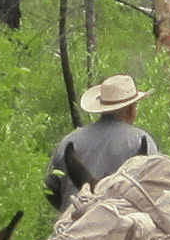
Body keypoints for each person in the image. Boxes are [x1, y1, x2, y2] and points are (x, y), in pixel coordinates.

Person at [47, 73, 159, 211]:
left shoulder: (70, 141)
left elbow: (51, 189)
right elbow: (155, 187)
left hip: (74, 217)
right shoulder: (141, 140)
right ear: (131, 109)